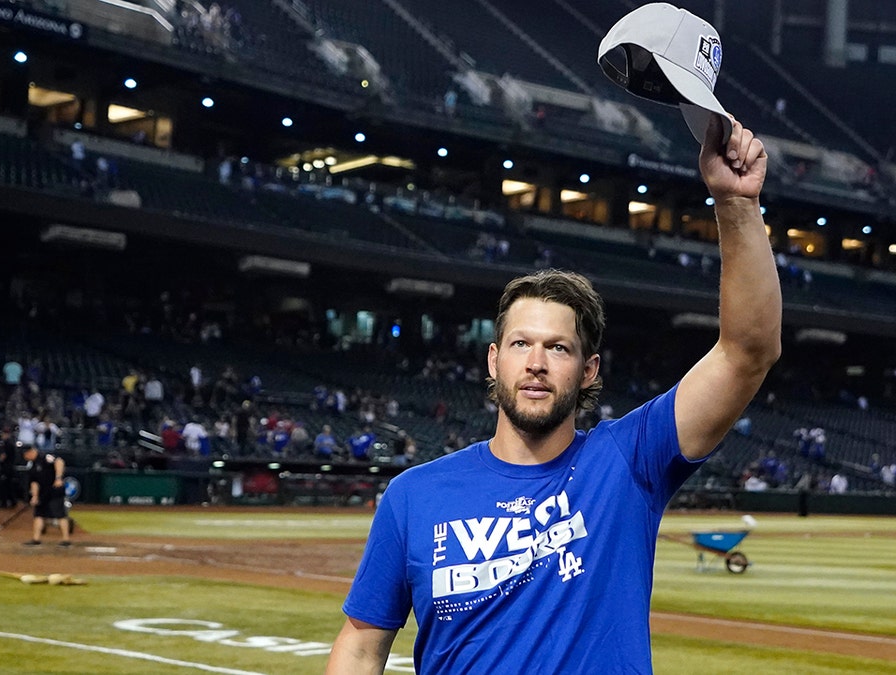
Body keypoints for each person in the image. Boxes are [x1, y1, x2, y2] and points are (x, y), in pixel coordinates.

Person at [326, 112, 779, 673]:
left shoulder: (630, 460)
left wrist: (736, 205)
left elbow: (747, 352)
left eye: (558, 349)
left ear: (589, 370)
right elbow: (362, 643)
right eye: (520, 344)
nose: (536, 363)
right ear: (494, 360)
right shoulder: (413, 496)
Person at [22, 444, 72, 547]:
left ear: (30, 452)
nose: (24, 457)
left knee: (60, 514)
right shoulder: (31, 465)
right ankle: (36, 539)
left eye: (25, 454)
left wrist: (58, 478)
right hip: (43, 493)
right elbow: (34, 482)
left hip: (55, 491)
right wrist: (35, 496)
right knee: (38, 514)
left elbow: (59, 461)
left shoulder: (45, 457)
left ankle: (66, 539)